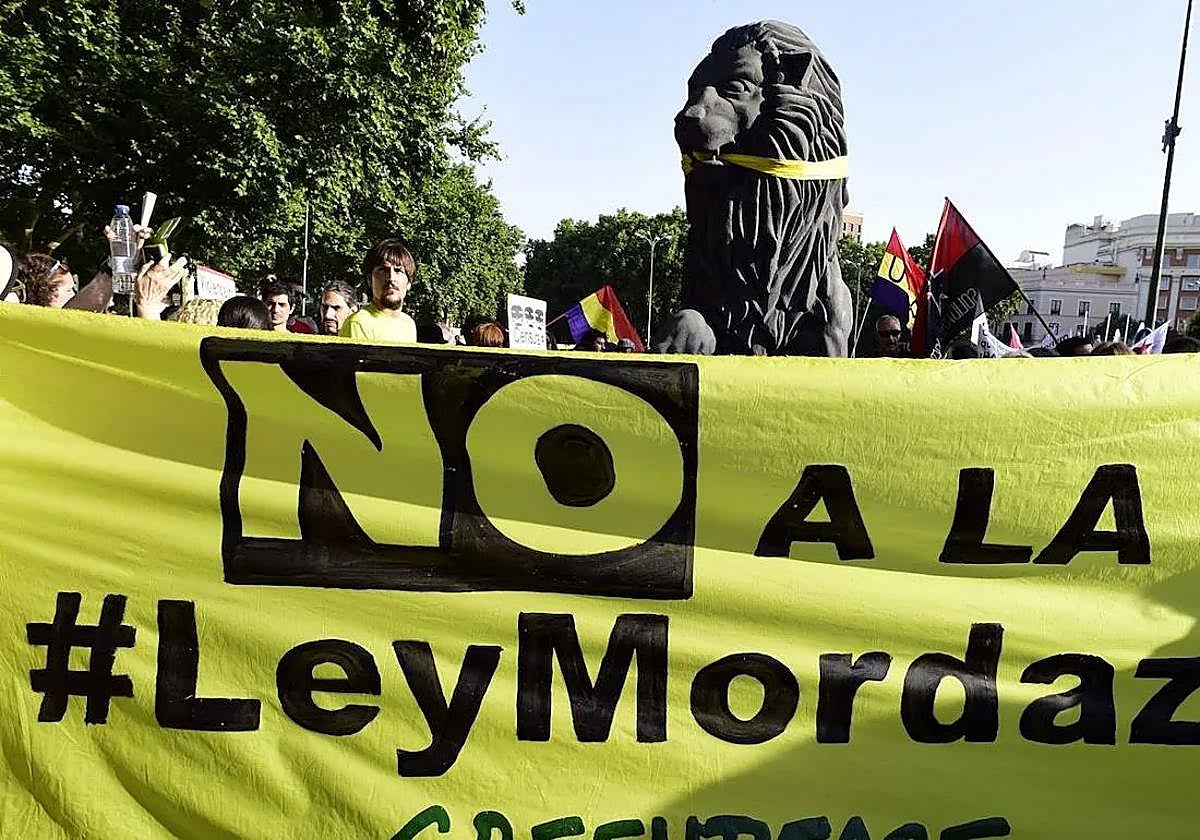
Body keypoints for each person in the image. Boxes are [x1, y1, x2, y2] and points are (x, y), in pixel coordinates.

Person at [339, 239, 418, 343]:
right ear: (369, 280)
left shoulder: (408, 324)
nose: (391, 278)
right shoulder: (359, 322)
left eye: (398, 271)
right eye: (383, 270)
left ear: (409, 283)